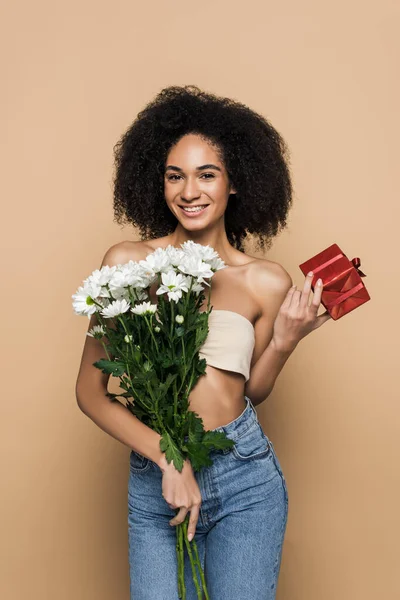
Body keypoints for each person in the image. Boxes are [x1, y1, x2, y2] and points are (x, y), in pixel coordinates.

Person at [75, 85, 331, 599]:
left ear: (236, 183)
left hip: (245, 479)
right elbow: (89, 393)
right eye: (175, 175)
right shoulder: (128, 266)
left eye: (206, 174)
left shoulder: (267, 280)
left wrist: (283, 341)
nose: (189, 191)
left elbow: (248, 391)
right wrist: (167, 458)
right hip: (156, 477)